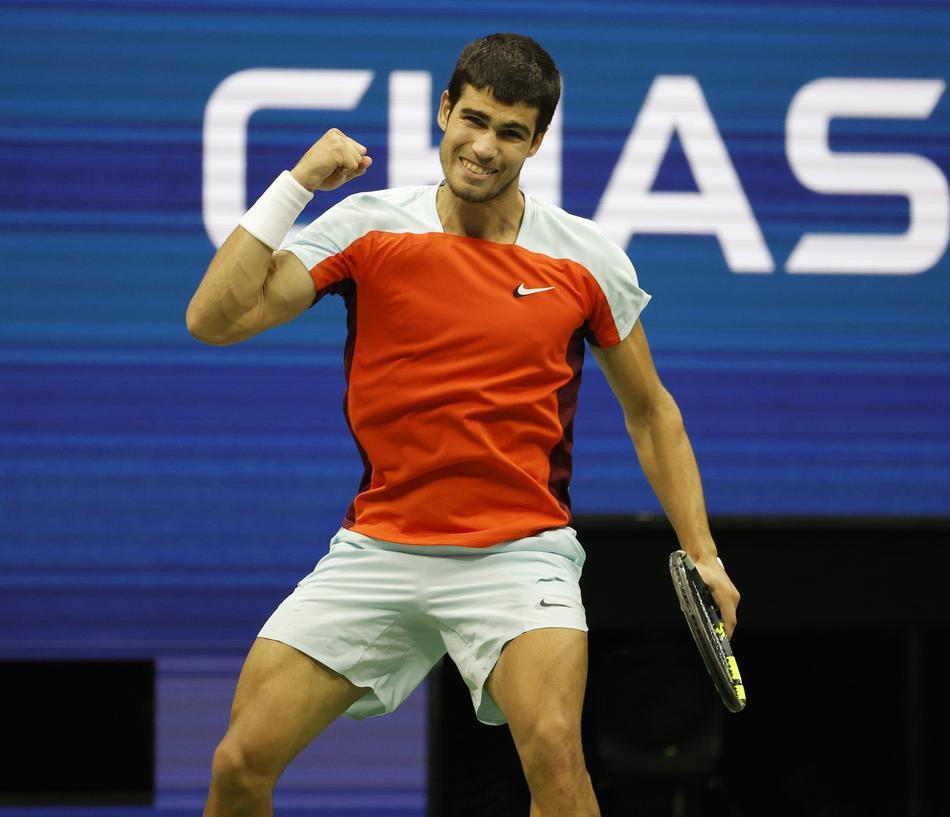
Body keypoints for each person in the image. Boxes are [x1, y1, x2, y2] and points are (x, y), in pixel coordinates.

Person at [186, 32, 739, 817]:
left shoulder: (585, 259)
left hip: (519, 554)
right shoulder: (367, 227)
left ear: (537, 140)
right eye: (472, 120)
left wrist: (704, 553)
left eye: (510, 132)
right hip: (380, 546)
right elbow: (213, 319)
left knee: (554, 754)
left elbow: (652, 413)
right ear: (444, 110)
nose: (483, 147)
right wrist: (299, 182)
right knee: (240, 760)